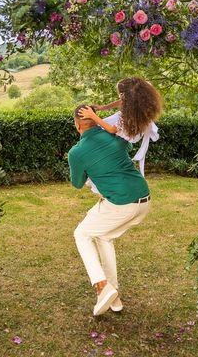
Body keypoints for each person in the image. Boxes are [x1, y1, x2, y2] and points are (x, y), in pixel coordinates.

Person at [68, 104, 151, 316]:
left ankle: (102, 285)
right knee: (103, 237)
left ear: (77, 126)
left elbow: (77, 183)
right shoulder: (114, 137)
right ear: (95, 118)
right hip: (143, 199)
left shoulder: (76, 152)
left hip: (122, 203)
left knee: (82, 234)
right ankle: (113, 297)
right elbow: (127, 146)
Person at [79, 77, 162, 178]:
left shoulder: (128, 118)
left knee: (100, 128)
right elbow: (121, 101)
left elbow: (111, 129)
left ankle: (96, 159)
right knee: (100, 126)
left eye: (120, 94)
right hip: (127, 123)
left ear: (125, 95)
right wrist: (103, 107)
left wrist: (93, 116)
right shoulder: (134, 100)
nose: (119, 97)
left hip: (130, 132)